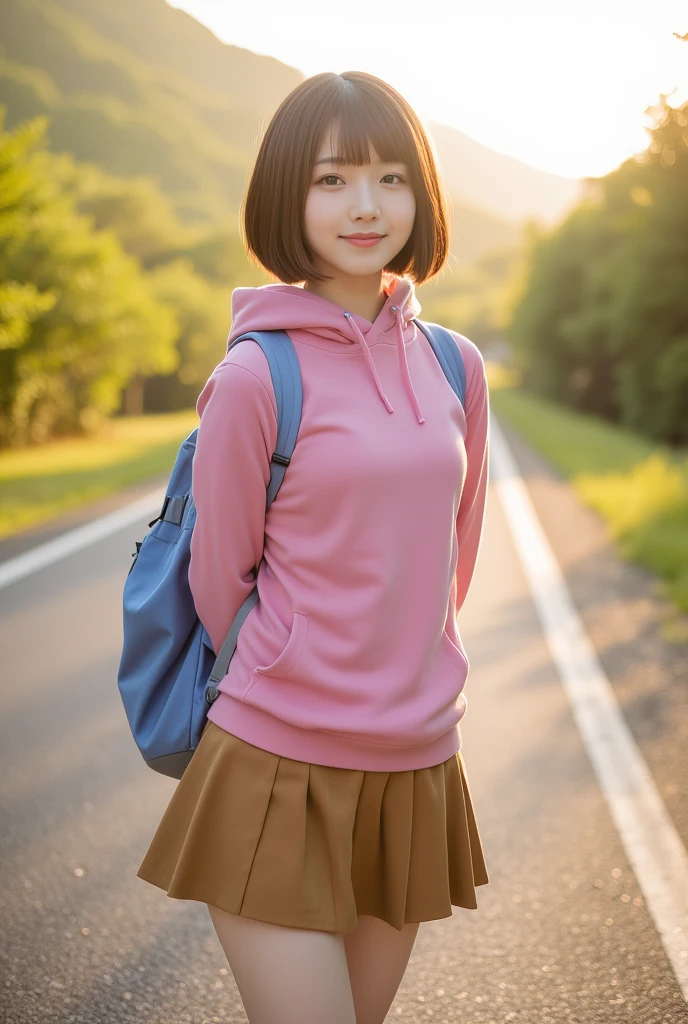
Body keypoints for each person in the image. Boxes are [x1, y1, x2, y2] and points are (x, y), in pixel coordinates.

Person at [137, 69, 491, 1024]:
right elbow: (221, 581)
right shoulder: (257, 374)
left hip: (416, 759)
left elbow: (455, 554)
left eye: (389, 178)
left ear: (422, 194)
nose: (365, 206)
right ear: (288, 195)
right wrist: (304, 665)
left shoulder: (457, 364)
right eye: (333, 179)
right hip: (275, 759)